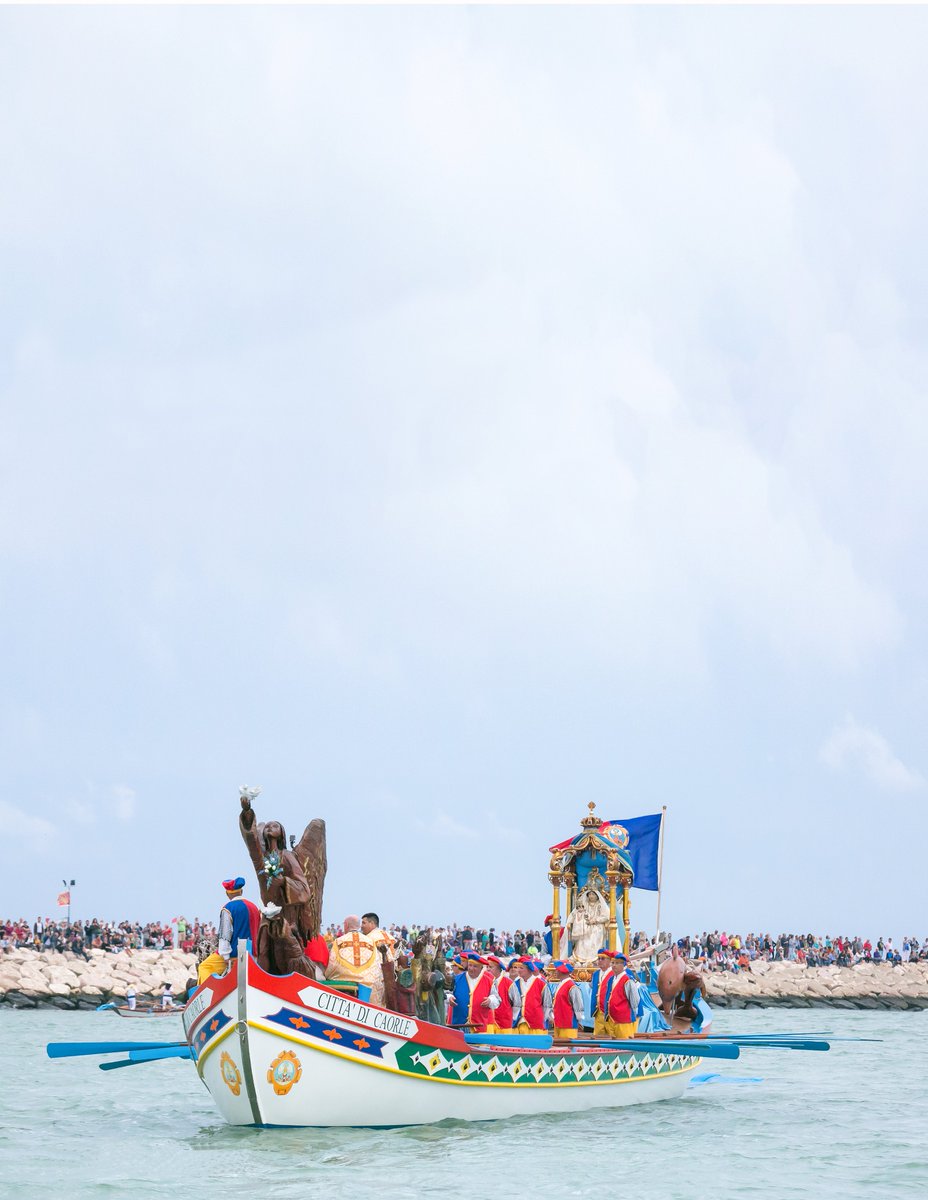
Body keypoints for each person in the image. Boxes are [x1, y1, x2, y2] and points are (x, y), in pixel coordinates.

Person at [325, 915, 384, 1004]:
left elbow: (331, 964)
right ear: (358, 926)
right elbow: (377, 966)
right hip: (366, 983)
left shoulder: (338, 941)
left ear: (346, 925)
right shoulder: (371, 942)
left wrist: (327, 974)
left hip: (343, 982)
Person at [449, 954, 500, 1032]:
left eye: (475, 966)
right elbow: (447, 993)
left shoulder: (489, 982)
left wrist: (490, 1000)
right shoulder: (456, 979)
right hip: (458, 1026)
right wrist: (449, 997)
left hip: (479, 1027)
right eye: (470, 965)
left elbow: (497, 999)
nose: (471, 968)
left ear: (481, 968)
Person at [218, 877, 261, 966]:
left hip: (236, 956)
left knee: (204, 967)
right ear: (241, 891)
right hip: (255, 955)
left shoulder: (228, 908)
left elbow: (225, 934)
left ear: (227, 894)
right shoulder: (254, 907)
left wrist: (226, 956)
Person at [604, 952, 639, 1039]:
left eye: (617, 963)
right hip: (611, 1019)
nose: (614, 965)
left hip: (623, 1021)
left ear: (623, 965)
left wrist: (633, 1014)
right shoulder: (611, 979)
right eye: (613, 963)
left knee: (624, 1043)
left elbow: (634, 1000)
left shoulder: (628, 980)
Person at [513, 958, 551, 1034]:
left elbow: (547, 1004)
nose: (518, 970)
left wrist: (544, 1019)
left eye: (521, 968)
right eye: (518, 968)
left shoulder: (541, 984)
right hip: (518, 1023)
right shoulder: (515, 984)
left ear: (529, 970)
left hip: (535, 1024)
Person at [551, 962, 585, 1039]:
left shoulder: (572, 986)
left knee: (568, 1044)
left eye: (557, 970)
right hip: (559, 1022)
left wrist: (579, 1019)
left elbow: (578, 1005)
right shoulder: (561, 984)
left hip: (568, 1024)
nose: (555, 972)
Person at [485, 955, 515, 1032]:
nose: (488, 969)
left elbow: (516, 1003)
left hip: (504, 1024)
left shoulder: (509, 983)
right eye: (487, 967)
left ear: (498, 969)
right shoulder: (484, 982)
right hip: (488, 1023)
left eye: (490, 967)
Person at [590, 948, 612, 1038]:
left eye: (603, 958)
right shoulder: (596, 974)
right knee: (598, 1037)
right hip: (598, 1012)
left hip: (610, 1013)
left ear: (609, 960)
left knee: (612, 1036)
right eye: (598, 958)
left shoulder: (613, 973)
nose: (600, 961)